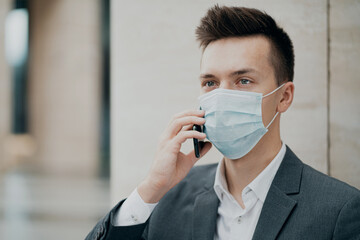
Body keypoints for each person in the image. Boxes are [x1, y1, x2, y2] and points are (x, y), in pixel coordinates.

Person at [86, 5, 360, 240]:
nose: (222, 95)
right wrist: (151, 188)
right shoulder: (168, 196)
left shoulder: (338, 209)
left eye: (243, 81)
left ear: (284, 97)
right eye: (210, 82)